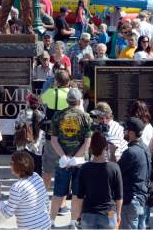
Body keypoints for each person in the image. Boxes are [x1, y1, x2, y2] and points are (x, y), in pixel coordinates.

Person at [49, 87, 92, 228]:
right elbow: (87, 143)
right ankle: (73, 222)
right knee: (77, 194)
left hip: (63, 162)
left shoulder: (57, 116)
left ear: (67, 100)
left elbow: (53, 140)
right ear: (79, 101)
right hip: (80, 162)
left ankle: (51, 222)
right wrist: (75, 158)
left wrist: (64, 157)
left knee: (58, 193)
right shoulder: (85, 117)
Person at [0, 151, 50, 230]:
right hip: (45, 223)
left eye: (11, 163)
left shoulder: (17, 187)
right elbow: (46, 201)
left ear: (18, 166)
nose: (10, 165)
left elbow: (7, 213)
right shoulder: (36, 176)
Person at [78, 131, 123, 229]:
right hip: (109, 213)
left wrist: (79, 214)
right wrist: (118, 214)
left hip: (88, 213)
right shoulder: (114, 167)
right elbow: (119, 196)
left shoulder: (84, 168)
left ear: (91, 147)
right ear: (105, 148)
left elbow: (80, 196)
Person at [119, 118, 151, 230]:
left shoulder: (130, 152)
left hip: (131, 200)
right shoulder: (145, 148)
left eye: (125, 130)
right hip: (142, 197)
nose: (124, 132)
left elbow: (117, 172)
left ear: (131, 133)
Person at [41, 70, 71, 190]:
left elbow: (40, 101)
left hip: (51, 133)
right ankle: (65, 195)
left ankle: (44, 195)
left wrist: (53, 88)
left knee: (48, 167)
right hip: (68, 134)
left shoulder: (51, 92)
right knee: (66, 166)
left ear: (56, 81)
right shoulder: (72, 94)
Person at [15, 93, 45, 175]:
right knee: (37, 171)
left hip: (24, 146)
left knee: (24, 170)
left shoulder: (22, 113)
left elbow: (17, 126)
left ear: (28, 102)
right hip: (38, 148)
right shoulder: (42, 115)